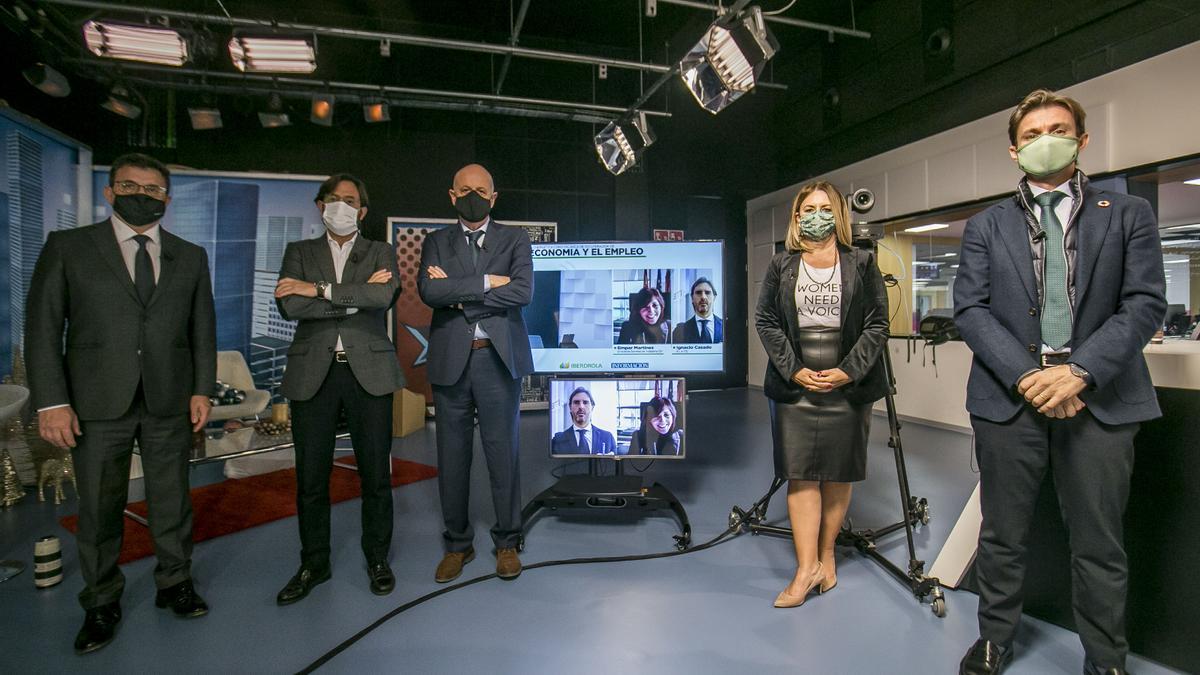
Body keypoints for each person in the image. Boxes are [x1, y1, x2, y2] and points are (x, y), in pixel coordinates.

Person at [953, 90, 1166, 675]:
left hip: (1100, 399)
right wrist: (1030, 376)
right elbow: (971, 309)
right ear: (1014, 149)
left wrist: (1078, 373)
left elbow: (1145, 303)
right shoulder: (985, 225)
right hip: (1008, 400)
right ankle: (995, 639)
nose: (1046, 139)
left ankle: (1106, 659)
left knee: (1100, 541)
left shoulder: (1127, 216)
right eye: (1033, 133)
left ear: (1081, 139)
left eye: (1059, 128)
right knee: (1002, 535)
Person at [25, 153, 216, 654]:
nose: (142, 195)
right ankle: (101, 600)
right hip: (95, 401)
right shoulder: (69, 247)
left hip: (168, 399)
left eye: (154, 190)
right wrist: (50, 401)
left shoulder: (190, 255)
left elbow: (202, 329)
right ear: (110, 192)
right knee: (100, 507)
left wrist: (202, 388)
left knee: (172, 500)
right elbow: (43, 329)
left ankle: (175, 582)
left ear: (167, 200)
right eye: (131, 186)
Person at [754, 179, 889, 609]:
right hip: (794, 386)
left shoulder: (863, 263)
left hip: (847, 384)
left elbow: (877, 325)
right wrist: (794, 369)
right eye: (807, 209)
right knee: (802, 473)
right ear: (797, 218)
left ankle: (827, 554)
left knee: (838, 473)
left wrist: (847, 372)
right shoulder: (781, 265)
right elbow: (766, 321)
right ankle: (805, 567)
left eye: (824, 208)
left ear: (838, 214)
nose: (816, 216)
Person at [272, 174, 404, 605]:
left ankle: (377, 558)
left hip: (369, 373)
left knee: (375, 476)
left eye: (350, 201)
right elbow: (291, 305)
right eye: (334, 200)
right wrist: (351, 294)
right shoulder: (299, 252)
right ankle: (314, 563)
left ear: (362, 211)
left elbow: (382, 297)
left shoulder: (380, 251)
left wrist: (319, 289)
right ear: (320, 205)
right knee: (311, 478)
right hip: (315, 373)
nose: (342, 207)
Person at [419, 163, 534, 582]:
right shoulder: (435, 242)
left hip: (497, 360)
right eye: (464, 190)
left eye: (481, 189)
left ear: (493, 196)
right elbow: (430, 291)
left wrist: (459, 290)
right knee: (452, 460)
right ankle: (457, 545)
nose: (473, 195)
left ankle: (507, 542)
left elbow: (522, 291)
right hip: (452, 363)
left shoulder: (515, 238)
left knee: (504, 457)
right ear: (452, 196)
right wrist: (488, 281)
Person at [551, 387, 619, 455]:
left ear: (592, 407)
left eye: (585, 402)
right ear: (570, 407)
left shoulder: (607, 438)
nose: (581, 406)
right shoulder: (558, 440)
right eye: (576, 402)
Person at [672, 278, 723, 343]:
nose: (703, 297)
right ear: (692, 298)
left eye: (707, 293)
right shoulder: (680, 331)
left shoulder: (726, 327)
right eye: (698, 293)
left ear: (714, 297)